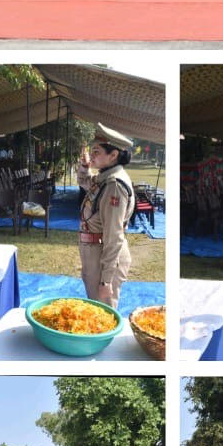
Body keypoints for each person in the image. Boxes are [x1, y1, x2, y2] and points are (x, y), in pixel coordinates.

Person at [79, 123, 136, 308]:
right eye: (92, 151)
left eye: (97, 151)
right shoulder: (106, 178)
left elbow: (114, 236)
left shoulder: (114, 186)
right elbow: (84, 182)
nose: (93, 155)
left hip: (104, 256)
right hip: (96, 253)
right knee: (97, 310)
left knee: (103, 314)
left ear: (113, 155)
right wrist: (84, 165)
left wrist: (106, 281)